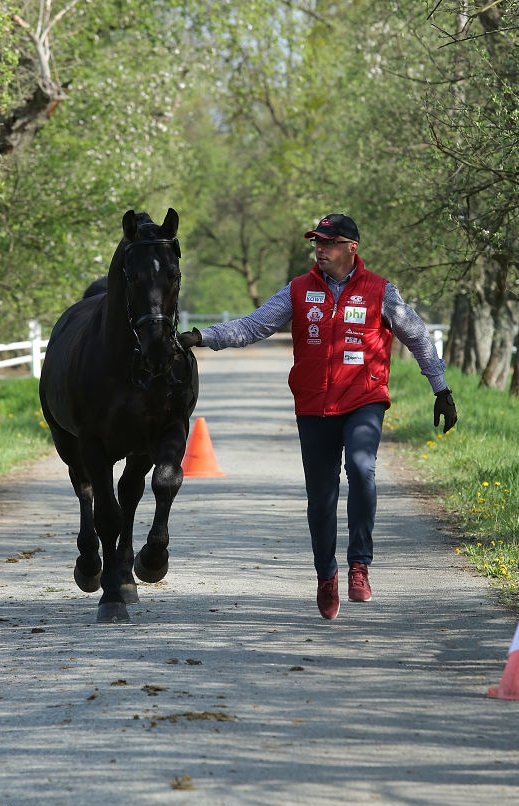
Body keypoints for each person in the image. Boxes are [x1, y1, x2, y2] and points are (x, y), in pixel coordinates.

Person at [179, 214, 457, 620]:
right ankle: (326, 576)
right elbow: (254, 326)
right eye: (316, 243)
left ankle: (359, 565)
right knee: (322, 498)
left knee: (362, 469)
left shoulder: (382, 292)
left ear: (352, 248)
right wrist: (203, 337)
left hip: (364, 399)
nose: (320, 249)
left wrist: (442, 389)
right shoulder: (298, 290)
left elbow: (416, 336)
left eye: (329, 242)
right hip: (314, 406)